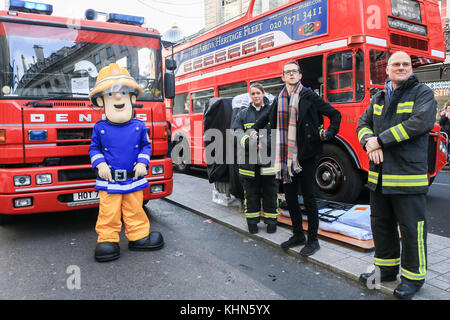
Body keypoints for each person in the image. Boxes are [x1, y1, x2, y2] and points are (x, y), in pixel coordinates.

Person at [357, 51, 436, 299]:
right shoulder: (379, 97)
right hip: (379, 179)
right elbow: (362, 124)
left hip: (407, 177)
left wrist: (379, 141)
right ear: (387, 69)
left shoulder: (422, 93)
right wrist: (369, 140)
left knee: (412, 230)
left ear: (411, 68)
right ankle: (386, 270)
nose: (401, 67)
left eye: (406, 64)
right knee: (382, 227)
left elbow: (419, 123)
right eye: (396, 64)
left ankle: (413, 278)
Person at [252, 61, 341, 256]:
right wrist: (252, 130)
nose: (291, 74)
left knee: (309, 198)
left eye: (294, 71)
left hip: (306, 156)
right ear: (283, 77)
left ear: (300, 75)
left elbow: (335, 114)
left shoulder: (309, 95)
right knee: (291, 198)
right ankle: (298, 234)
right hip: (285, 157)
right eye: (287, 72)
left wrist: (328, 134)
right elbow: (266, 117)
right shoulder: (279, 98)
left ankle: (313, 240)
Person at [89, 63, 164, 262]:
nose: (118, 98)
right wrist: (101, 165)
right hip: (110, 180)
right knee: (108, 211)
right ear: (101, 101)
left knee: (135, 208)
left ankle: (139, 236)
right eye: (111, 94)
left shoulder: (139, 127)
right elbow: (94, 149)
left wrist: (142, 163)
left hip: (134, 179)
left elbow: (145, 147)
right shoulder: (99, 128)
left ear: (132, 97)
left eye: (123, 92)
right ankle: (107, 240)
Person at [232, 83, 279, 234]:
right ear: (250, 96)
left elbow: (279, 133)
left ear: (263, 94)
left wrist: (264, 143)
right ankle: (252, 223)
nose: (256, 96)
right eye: (253, 93)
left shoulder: (273, 113)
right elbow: (236, 132)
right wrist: (250, 143)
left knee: (270, 193)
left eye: (258, 93)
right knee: (251, 195)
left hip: (268, 161)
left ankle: (271, 222)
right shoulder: (243, 114)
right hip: (248, 163)